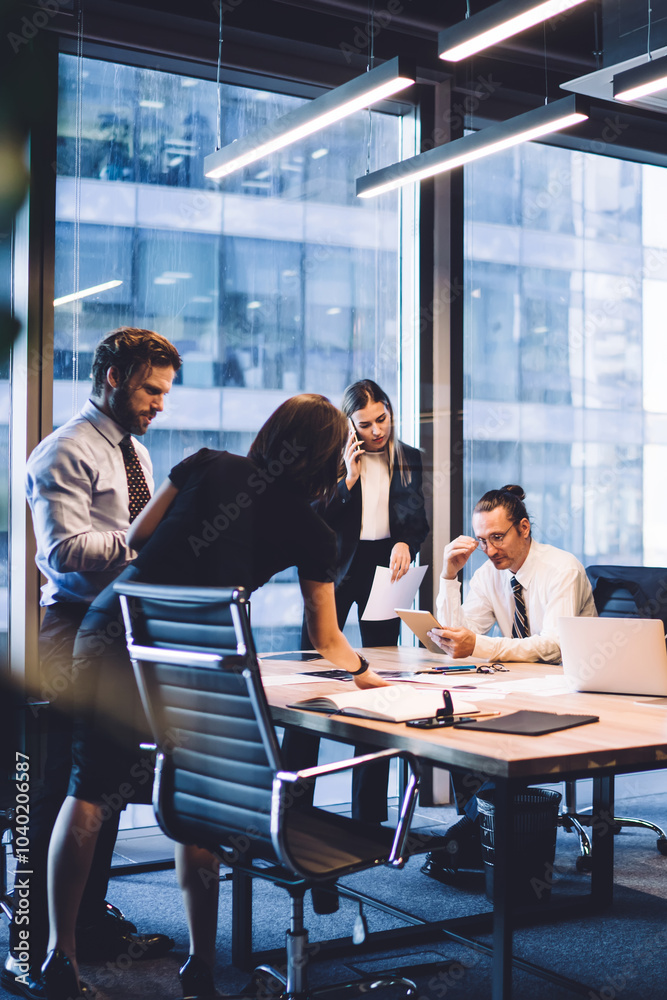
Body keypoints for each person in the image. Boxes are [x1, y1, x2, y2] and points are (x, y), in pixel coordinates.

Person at [39, 394, 391, 1000]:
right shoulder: (314, 529)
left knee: (88, 789)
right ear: (330, 456)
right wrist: (365, 672)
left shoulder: (208, 462)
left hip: (116, 624)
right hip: (202, 648)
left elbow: (138, 537)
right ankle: (199, 966)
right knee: (195, 797)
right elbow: (326, 637)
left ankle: (57, 957)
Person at [3, 328, 181, 1000]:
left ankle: (84, 924)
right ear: (113, 377)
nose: (159, 404)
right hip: (73, 630)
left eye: (164, 392)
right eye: (150, 389)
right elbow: (62, 553)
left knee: (102, 785)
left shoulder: (136, 451)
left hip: (122, 630)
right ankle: (28, 947)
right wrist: (146, 541)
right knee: (56, 791)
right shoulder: (63, 450)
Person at [420, 484, 597, 885]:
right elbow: (458, 638)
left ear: (524, 528)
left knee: (497, 739)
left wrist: (479, 645)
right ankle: (480, 836)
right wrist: (449, 576)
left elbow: (554, 646)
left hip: (572, 689)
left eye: (497, 537)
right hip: (524, 686)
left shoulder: (562, 570)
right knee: (462, 723)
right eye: (482, 540)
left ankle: (465, 837)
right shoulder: (489, 575)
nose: (489, 549)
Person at [296, 379, 429, 823]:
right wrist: (347, 482)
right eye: (365, 425)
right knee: (311, 683)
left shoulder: (410, 458)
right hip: (333, 571)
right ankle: (294, 807)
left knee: (379, 682)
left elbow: (418, 522)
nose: (376, 432)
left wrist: (407, 543)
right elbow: (310, 519)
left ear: (390, 412)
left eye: (382, 420)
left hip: (384, 572)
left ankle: (368, 815)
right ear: (349, 425)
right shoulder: (329, 457)